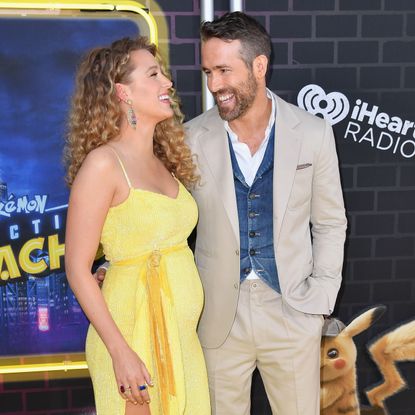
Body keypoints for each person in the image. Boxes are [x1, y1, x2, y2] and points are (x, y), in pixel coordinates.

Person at [185, 12, 347, 415]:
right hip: (218, 315)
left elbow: (329, 223)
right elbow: (169, 221)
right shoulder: (189, 137)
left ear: (260, 66)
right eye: (208, 71)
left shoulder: (312, 132)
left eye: (224, 70)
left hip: (292, 311)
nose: (214, 85)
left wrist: (321, 300)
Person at [64, 37, 210, 415]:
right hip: (133, 337)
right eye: (154, 74)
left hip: (182, 340)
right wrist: (120, 352)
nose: (168, 83)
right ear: (123, 92)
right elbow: (77, 269)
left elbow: (136, 236)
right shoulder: (103, 164)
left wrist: (113, 265)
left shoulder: (163, 160)